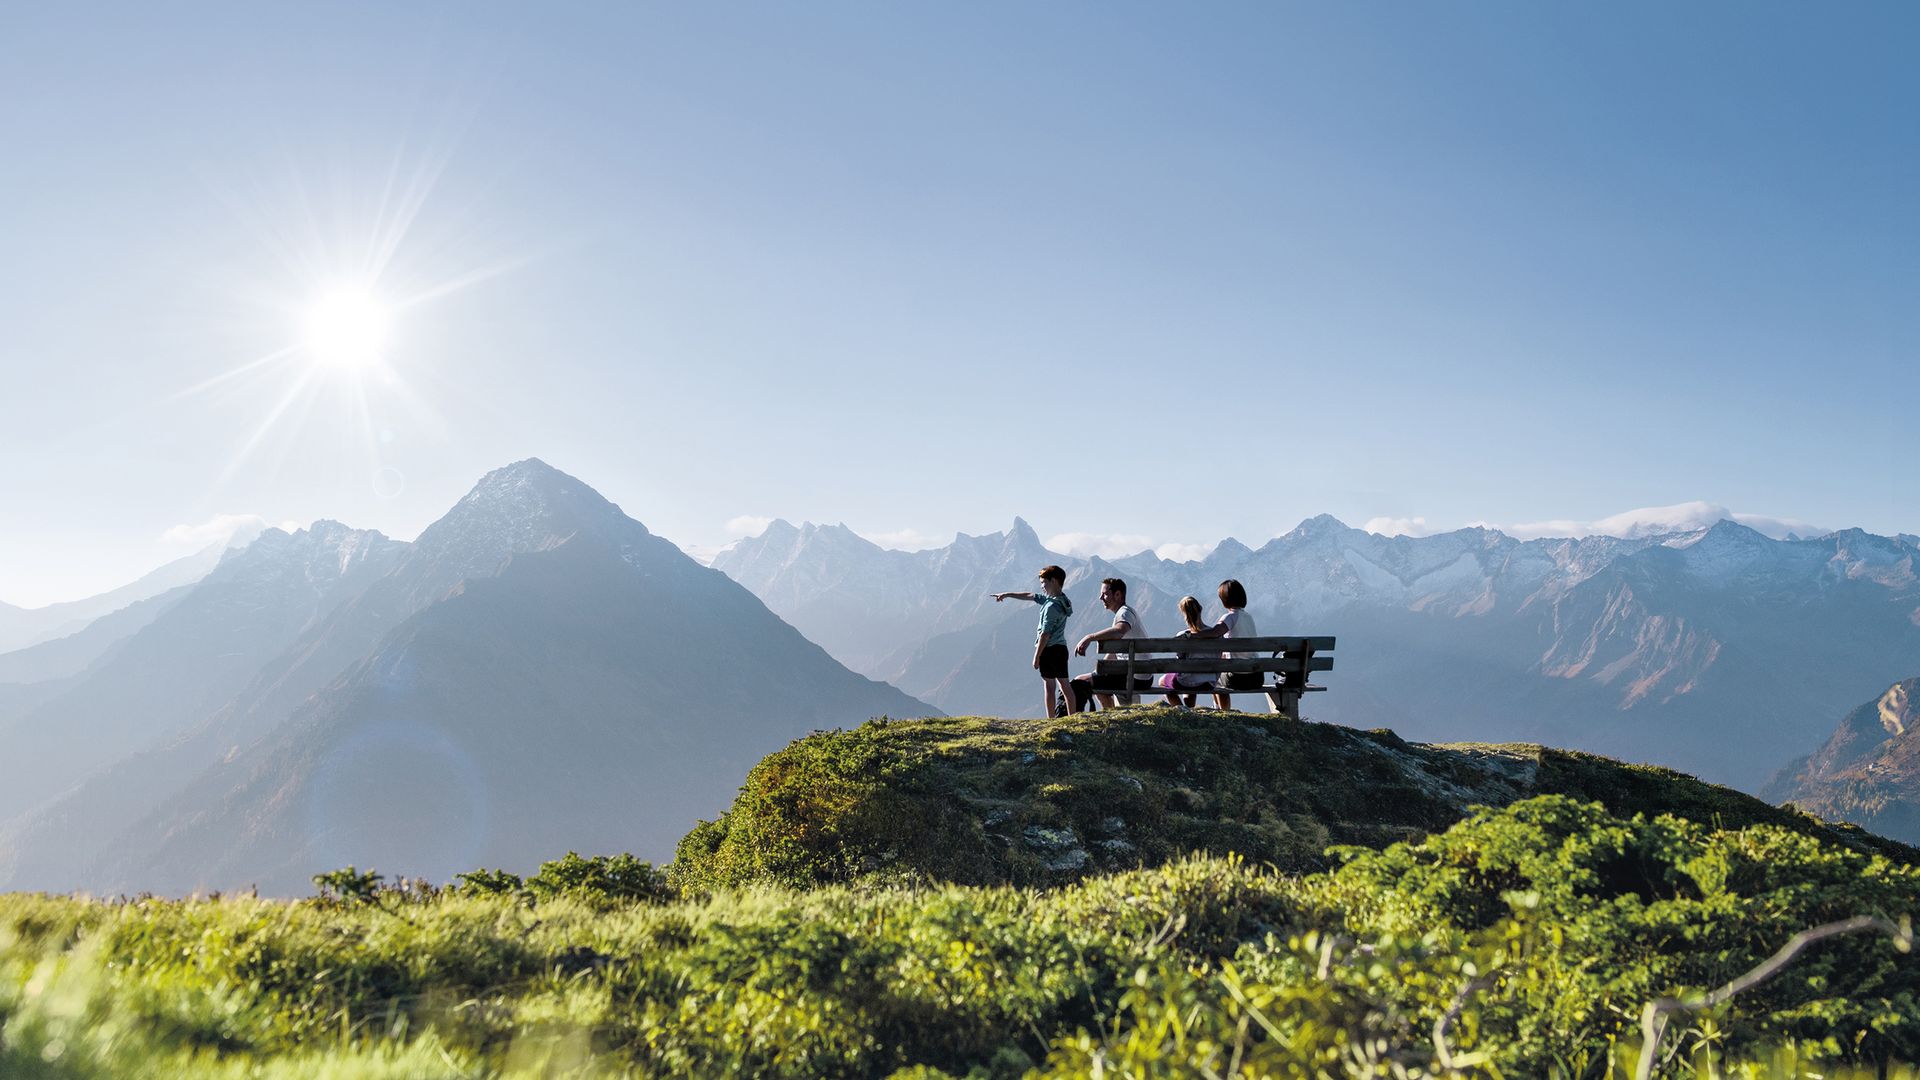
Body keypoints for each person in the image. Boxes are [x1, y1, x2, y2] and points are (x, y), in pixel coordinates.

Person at [991, 565, 1076, 719]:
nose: (1041, 587)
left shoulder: (1050, 606)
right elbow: (1030, 595)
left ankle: (1051, 720)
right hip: (1061, 649)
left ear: (1054, 581)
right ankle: (1073, 718)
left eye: (1043, 583)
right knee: (1065, 685)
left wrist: (1037, 656)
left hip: (1048, 650)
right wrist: (1007, 594)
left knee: (1049, 687)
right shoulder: (1062, 600)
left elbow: (1045, 634)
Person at [1069, 578, 1150, 711]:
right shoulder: (1125, 612)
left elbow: (1119, 631)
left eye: (1105, 594)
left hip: (1135, 678)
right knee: (1092, 680)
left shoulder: (1124, 613)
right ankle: (1111, 714)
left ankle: (1108, 715)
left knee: (1081, 681)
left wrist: (1090, 637)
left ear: (1118, 595)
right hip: (1141, 676)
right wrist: (1097, 673)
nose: (1101, 597)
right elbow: (1114, 652)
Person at [1181, 579, 1263, 711]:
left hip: (1238, 678)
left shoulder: (1230, 617)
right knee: (1220, 672)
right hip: (1257, 677)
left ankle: (1222, 710)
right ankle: (1219, 708)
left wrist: (1192, 636)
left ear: (1225, 599)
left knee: (1215, 678)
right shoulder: (1248, 617)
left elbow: (1215, 633)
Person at [1159, 595, 1215, 708]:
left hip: (1187, 681)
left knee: (1162, 681)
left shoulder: (1182, 636)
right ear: (1200, 609)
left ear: (1184, 615)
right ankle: (1189, 709)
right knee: (1189, 679)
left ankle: (1184, 711)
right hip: (1209, 683)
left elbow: (1179, 663)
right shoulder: (1216, 634)